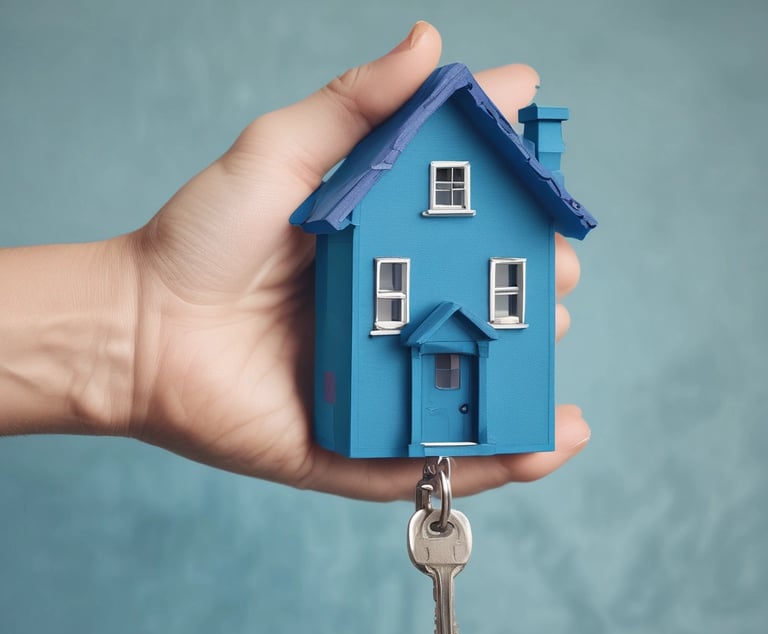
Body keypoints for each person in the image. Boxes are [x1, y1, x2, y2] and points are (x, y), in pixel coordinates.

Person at [0, 22, 590, 501]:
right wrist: (146, 323)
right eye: (448, 183)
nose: (449, 188)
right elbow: (331, 222)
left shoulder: (499, 223)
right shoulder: (375, 204)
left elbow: (555, 225)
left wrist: (142, 334)